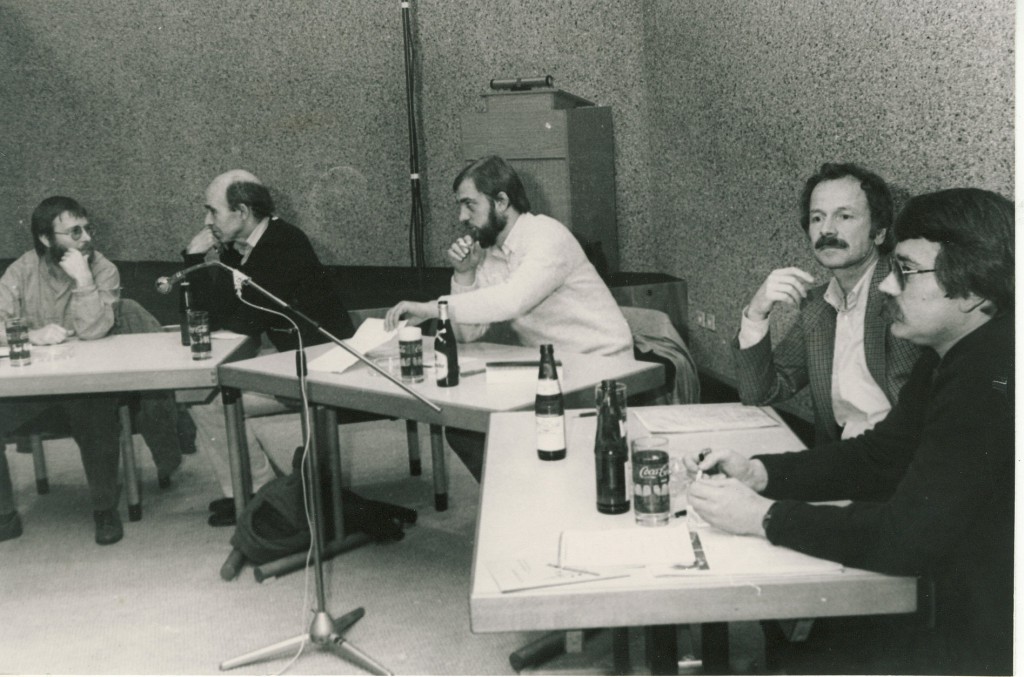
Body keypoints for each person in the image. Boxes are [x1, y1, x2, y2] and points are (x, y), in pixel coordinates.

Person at [686, 187, 1013, 675]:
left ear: (974, 287)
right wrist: (759, 473)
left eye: (905, 270)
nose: (887, 287)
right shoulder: (952, 352)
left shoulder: (992, 375)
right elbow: (879, 457)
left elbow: (907, 536)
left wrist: (766, 517)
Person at [385, 155, 632, 479]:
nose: (461, 217)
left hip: (602, 371)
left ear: (501, 201)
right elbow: (467, 335)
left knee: (495, 433)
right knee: (466, 430)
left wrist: (432, 307)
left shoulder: (547, 236)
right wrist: (464, 275)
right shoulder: (490, 253)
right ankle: (528, 504)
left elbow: (510, 301)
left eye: (469, 205)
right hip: (554, 373)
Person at [0, 196, 183, 545]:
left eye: (87, 228)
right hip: (35, 390)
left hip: (87, 386)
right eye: (74, 232)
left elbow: (93, 330)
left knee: (95, 406)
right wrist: (32, 334)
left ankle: (104, 508)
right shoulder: (21, 271)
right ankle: (3, 514)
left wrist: (84, 282)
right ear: (45, 239)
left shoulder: (102, 269)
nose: (86, 238)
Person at [181, 170, 355, 525]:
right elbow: (216, 314)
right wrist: (201, 263)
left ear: (242, 212)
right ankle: (248, 489)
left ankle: (258, 490)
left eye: (212, 211)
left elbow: (236, 320)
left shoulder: (280, 246)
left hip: (320, 367)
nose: (206, 221)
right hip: (293, 357)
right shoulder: (253, 245)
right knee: (199, 391)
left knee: (207, 396)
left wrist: (196, 262)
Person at [733, 163, 920, 444]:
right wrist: (757, 312)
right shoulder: (818, 306)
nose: (827, 230)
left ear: (879, 232)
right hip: (842, 463)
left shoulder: (906, 293)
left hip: (901, 466)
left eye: (844, 216)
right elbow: (762, 392)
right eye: (817, 218)